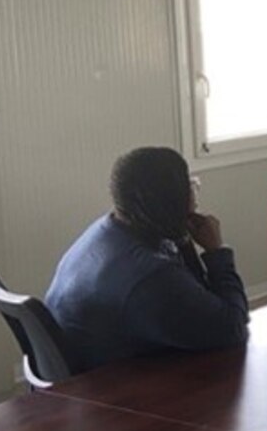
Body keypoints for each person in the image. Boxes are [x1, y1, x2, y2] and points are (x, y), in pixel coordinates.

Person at [45, 146, 249, 375]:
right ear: (169, 200)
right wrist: (216, 252)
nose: (194, 198)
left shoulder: (107, 230)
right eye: (188, 188)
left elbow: (197, 297)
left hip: (86, 376)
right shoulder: (150, 275)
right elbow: (232, 327)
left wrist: (183, 239)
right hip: (108, 391)